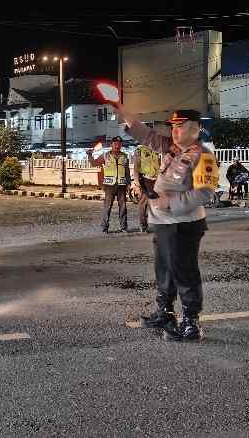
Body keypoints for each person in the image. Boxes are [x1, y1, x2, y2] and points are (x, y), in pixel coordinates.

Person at [109, 104, 219, 342]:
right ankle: (165, 312)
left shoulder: (204, 156)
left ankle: (191, 321)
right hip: (163, 223)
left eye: (180, 128)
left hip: (184, 224)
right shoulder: (171, 147)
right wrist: (128, 116)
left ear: (196, 129)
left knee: (184, 272)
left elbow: (204, 193)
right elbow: (147, 137)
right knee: (164, 270)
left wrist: (170, 203)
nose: (175, 133)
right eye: (173, 128)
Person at [93, 136, 130, 233]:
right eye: (115, 144)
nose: (117, 145)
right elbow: (94, 163)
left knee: (123, 207)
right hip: (109, 186)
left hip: (122, 185)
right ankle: (104, 227)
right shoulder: (105, 156)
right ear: (111, 145)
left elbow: (127, 172)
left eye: (119, 144)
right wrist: (89, 155)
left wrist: (129, 184)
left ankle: (123, 227)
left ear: (121, 145)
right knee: (107, 207)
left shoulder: (125, 156)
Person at [133, 143, 160, 233]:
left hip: (155, 180)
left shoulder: (156, 150)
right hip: (144, 179)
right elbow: (136, 168)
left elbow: (159, 165)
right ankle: (143, 225)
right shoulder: (139, 151)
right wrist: (137, 183)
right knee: (143, 204)